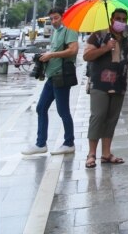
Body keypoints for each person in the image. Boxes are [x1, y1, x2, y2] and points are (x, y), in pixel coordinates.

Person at [82, 8, 128, 167]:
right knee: (98, 116)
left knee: (112, 118)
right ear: (111, 20)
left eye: (124, 19)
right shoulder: (98, 35)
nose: (121, 22)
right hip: (100, 84)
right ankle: (91, 154)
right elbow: (86, 56)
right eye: (118, 18)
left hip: (119, 84)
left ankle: (106, 154)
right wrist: (105, 47)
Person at [22, 8, 80, 156]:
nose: (54, 21)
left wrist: (51, 54)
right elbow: (54, 51)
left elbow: (73, 50)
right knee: (41, 108)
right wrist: (45, 56)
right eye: (52, 19)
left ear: (63, 17)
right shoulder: (56, 32)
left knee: (63, 111)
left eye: (56, 18)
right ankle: (41, 144)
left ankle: (69, 142)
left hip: (62, 76)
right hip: (51, 76)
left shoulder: (70, 29)